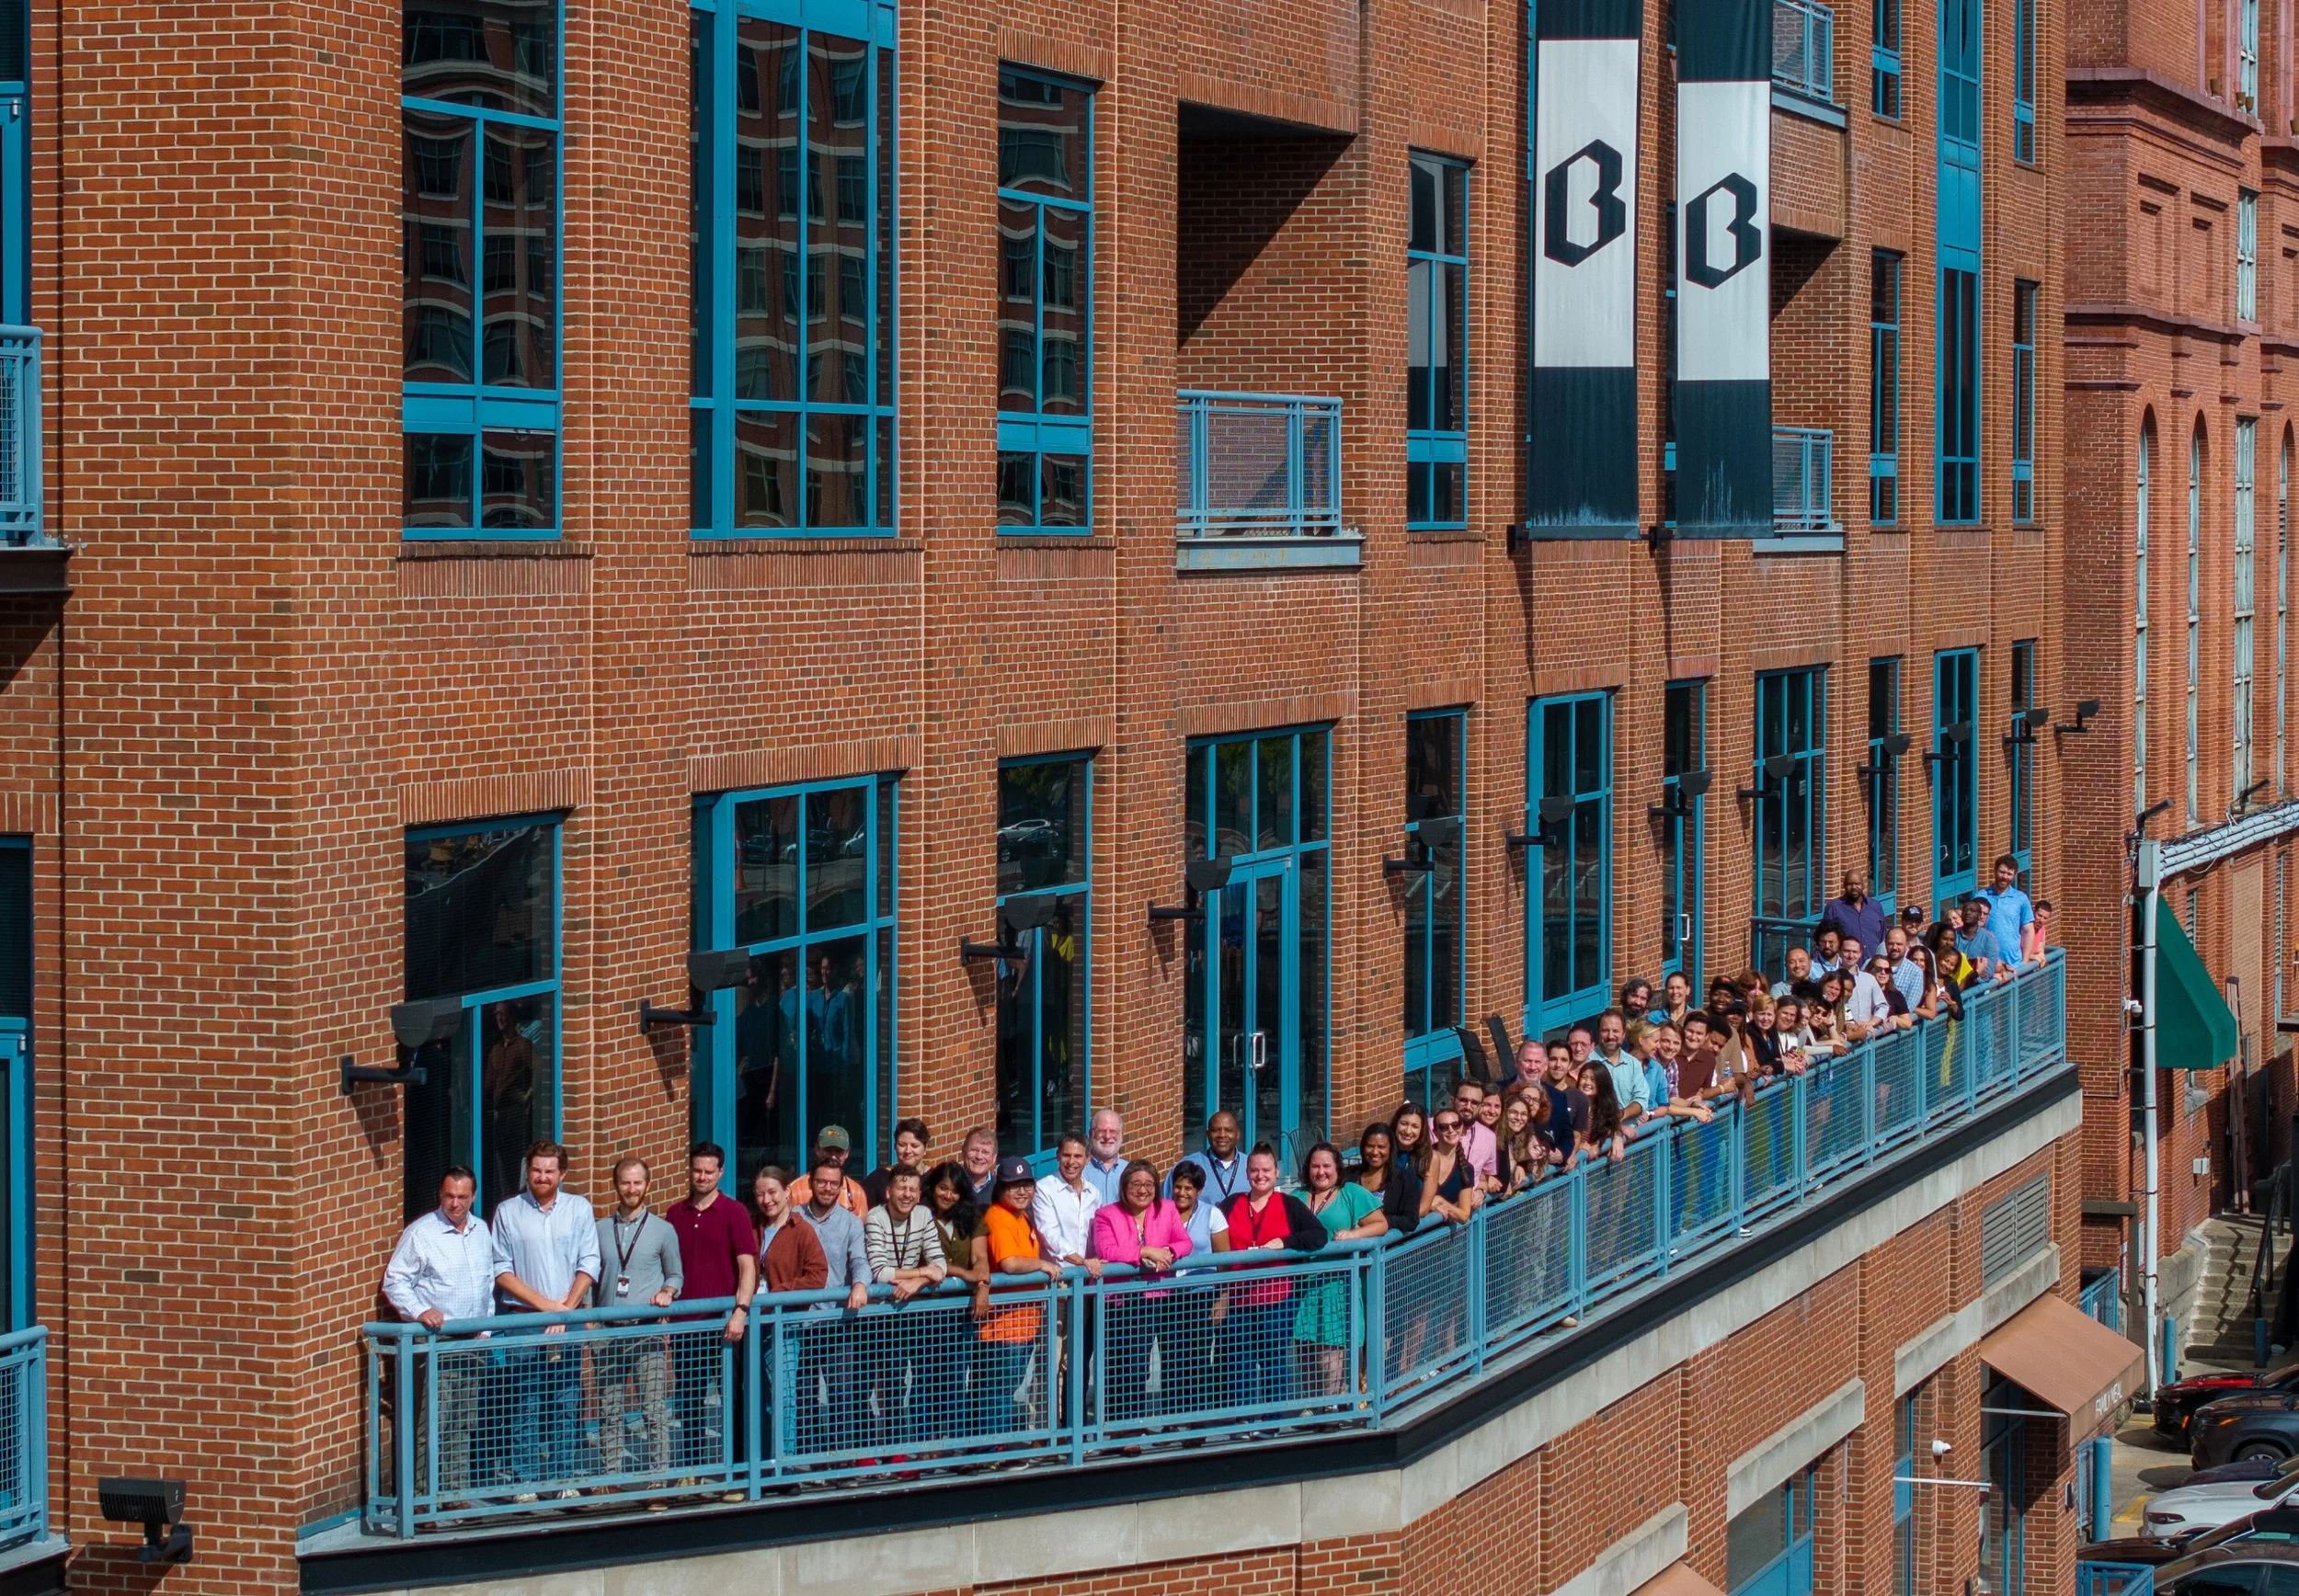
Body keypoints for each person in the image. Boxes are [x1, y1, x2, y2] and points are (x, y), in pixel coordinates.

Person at [489, 1141, 600, 1501]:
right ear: (528, 1171)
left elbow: (589, 1262)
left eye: (549, 1171)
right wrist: (544, 1307)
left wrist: (564, 1308)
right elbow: (501, 1271)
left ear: (562, 1174)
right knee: (526, 1400)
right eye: (536, 1169)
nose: (542, 1176)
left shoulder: (579, 1209)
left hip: (566, 1318)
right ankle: (526, 1481)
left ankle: (562, 1477)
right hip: (525, 1320)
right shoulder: (508, 1211)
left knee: (567, 1398)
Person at [381, 1167, 495, 1501]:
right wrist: (419, 1311)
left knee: (464, 1423)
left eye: (462, 1197)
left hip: (472, 1341)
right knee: (432, 1424)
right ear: (439, 1195)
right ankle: (423, 1498)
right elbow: (395, 1280)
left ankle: (454, 1494)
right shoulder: (422, 1232)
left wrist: (485, 1327)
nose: (455, 1204)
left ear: (473, 1197)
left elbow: (487, 1283)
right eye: (449, 1196)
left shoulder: (481, 1230)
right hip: (436, 1342)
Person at [668, 1142, 758, 1482]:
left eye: (709, 1171)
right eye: (697, 1170)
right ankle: (692, 1470)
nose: (702, 1177)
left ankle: (733, 1471)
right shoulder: (675, 1214)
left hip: (724, 1326)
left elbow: (747, 1267)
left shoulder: (734, 1212)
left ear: (721, 1173)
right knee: (688, 1402)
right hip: (686, 1325)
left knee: (732, 1400)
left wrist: (741, 1310)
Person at [592, 1156, 682, 1484]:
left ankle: (658, 1476)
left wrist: (668, 1292)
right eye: (625, 1182)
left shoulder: (663, 1230)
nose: (631, 1189)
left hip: (647, 1332)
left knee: (653, 1410)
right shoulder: (599, 1229)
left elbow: (675, 1274)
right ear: (615, 1186)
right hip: (608, 1332)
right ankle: (610, 1478)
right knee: (609, 1409)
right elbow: (589, 1275)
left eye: (637, 1182)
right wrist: (590, 1318)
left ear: (648, 1185)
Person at [1222, 1146, 1328, 1411]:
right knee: (1239, 1361)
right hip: (1238, 1300)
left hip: (1276, 1299)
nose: (1260, 1176)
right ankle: (1243, 1417)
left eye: (1266, 1170)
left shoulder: (1289, 1204)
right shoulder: (1231, 1204)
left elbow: (1318, 1235)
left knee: (1273, 1360)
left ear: (1277, 1173)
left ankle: (1272, 1419)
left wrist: (1286, 1242)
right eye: (1255, 1170)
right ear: (1247, 1173)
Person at [1089, 1159, 1191, 1423]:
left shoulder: (1167, 1209)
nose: (1143, 1190)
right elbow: (1107, 1251)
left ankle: (1145, 1424)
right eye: (1136, 1184)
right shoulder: (1106, 1214)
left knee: (1147, 1366)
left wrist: (1170, 1252)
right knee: (1122, 1365)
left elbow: (1184, 1241)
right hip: (1119, 1299)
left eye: (1149, 1184)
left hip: (1156, 1296)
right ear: (1124, 1187)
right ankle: (1120, 1427)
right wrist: (1144, 1251)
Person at [971, 1157, 1059, 1436]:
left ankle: (993, 1445)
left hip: (1022, 1324)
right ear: (1001, 1188)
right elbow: (1009, 1263)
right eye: (1014, 1186)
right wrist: (1042, 1265)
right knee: (996, 1392)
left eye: (1026, 1185)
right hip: (1001, 1327)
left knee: (1005, 1389)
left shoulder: (1022, 1216)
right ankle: (990, 1448)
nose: (1022, 1191)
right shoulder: (997, 1216)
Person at [793, 1148, 870, 1454]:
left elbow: (860, 1260)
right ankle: (808, 1456)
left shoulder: (851, 1223)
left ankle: (841, 1459)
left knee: (842, 1393)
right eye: (822, 1182)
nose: (827, 1188)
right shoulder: (794, 1219)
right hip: (800, 1321)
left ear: (841, 1186)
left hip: (838, 1322)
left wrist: (861, 1284)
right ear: (811, 1182)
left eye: (833, 1184)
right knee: (803, 1395)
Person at [863, 1164, 945, 1449]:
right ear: (888, 1191)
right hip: (876, 1313)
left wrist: (917, 1282)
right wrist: (922, 1275)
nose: (906, 1194)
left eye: (912, 1189)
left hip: (909, 1311)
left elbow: (941, 1265)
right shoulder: (875, 1217)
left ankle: (899, 1449)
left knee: (907, 1383)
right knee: (877, 1385)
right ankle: (872, 1448)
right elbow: (879, 1272)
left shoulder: (924, 1215)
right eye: (901, 1187)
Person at [1294, 1143, 1384, 1397]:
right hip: (1305, 1284)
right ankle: (1311, 1403)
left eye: (1326, 1166)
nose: (1320, 1172)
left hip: (1338, 1284)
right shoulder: (1298, 1197)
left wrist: (1354, 1234)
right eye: (1315, 1166)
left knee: (1332, 1347)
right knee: (1305, 1345)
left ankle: (1331, 1400)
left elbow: (1380, 1224)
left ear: (1337, 1168)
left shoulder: (1350, 1193)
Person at [1160, 1162, 1230, 1415]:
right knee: (1170, 1356)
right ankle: (1172, 1416)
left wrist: (1223, 1299)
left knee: (1197, 1357)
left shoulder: (1213, 1214)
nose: (1182, 1193)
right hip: (1168, 1296)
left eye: (1188, 1188)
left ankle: (1196, 1417)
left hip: (1201, 1295)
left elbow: (1224, 1261)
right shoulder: (1160, 1213)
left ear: (1199, 1190)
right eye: (1178, 1187)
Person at [921, 1162, 983, 1440]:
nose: (947, 1195)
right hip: (925, 1311)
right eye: (942, 1188)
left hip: (960, 1311)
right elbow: (928, 1263)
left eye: (954, 1191)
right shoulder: (920, 1216)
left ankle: (955, 1442)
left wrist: (981, 1284)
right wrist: (959, 1271)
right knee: (926, 1378)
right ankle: (926, 1443)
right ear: (932, 1188)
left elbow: (980, 1262)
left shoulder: (972, 1218)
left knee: (955, 1378)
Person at [1031, 1133, 1104, 1277]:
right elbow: (1049, 1236)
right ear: (1058, 1156)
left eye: (1077, 1156)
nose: (1071, 1162)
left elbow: (1097, 1234)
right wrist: (1081, 1261)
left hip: (1089, 1276)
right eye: (1066, 1155)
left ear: (1088, 1159)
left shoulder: (1094, 1193)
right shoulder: (1043, 1189)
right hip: (1059, 1278)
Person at [751, 1165, 828, 1293]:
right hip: (751, 1310)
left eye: (772, 1192)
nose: (766, 1200)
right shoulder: (751, 1227)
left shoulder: (802, 1231)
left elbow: (817, 1277)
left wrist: (782, 1291)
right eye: (760, 1195)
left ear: (787, 1192)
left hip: (786, 1310)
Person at [787, 1125, 870, 1218]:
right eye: (828, 1150)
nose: (833, 1156)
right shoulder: (795, 1190)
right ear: (817, 1149)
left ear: (847, 1153)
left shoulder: (857, 1193)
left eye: (839, 1151)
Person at [1168, 1110, 1246, 1208]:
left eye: (1228, 1130)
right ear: (1208, 1134)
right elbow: (1165, 1208)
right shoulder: (1187, 1166)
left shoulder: (1253, 1167)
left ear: (1237, 1134)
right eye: (1215, 1130)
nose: (1222, 1135)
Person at [1418, 1110, 1484, 1224]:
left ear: (1462, 1128)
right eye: (1444, 1127)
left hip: (1445, 1237)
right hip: (1415, 1234)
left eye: (1456, 1125)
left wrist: (1441, 1202)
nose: (1451, 1130)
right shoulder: (1422, 1159)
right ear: (1435, 1132)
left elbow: (1464, 1215)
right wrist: (1428, 1204)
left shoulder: (1466, 1169)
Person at [1357, 1119, 1422, 1232]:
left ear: (1391, 1149)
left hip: (1388, 1247)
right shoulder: (1348, 1177)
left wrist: (1378, 1222)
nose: (1375, 1152)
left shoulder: (1405, 1180)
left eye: (1381, 1147)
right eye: (1370, 1146)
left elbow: (1411, 1220)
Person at [1588, 1010, 1651, 1126]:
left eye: (1615, 1031)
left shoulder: (1634, 1064)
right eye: (1605, 1031)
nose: (1610, 1036)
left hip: (1632, 1136)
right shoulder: (1588, 1063)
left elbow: (1641, 1100)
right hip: (1599, 1135)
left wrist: (1621, 1115)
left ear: (1624, 1034)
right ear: (1598, 1033)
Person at [1976, 854, 2035, 971]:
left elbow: (2028, 931)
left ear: (2014, 876)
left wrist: (2024, 962)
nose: (2005, 877)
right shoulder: (1980, 897)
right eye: (2002, 872)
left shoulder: (2021, 898)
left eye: (2009, 874)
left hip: (2015, 965)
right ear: (1995, 871)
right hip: (1989, 966)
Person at [1820, 869, 1889, 963]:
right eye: (1849, 884)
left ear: (1863, 885)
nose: (1853, 887)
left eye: (1857, 884)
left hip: (1873, 968)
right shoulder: (1834, 908)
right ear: (1844, 885)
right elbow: (1826, 938)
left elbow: (1882, 937)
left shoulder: (1876, 907)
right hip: (1846, 967)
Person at [860, 1118, 931, 1209]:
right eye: (902, 1145)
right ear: (895, 1147)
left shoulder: (934, 1179)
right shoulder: (878, 1179)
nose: (908, 1151)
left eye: (914, 1146)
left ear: (925, 1148)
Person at [1449, 1080, 1499, 1188]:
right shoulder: (1431, 1127)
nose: (1468, 1107)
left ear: (1480, 1108)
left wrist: (1481, 1191)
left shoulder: (1489, 1138)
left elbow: (1484, 1177)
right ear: (1452, 1101)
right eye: (1463, 1100)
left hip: (1468, 1203)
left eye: (1474, 1103)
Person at [1574, 1065, 1627, 1163]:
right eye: (1584, 1077)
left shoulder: (1604, 1110)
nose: (1587, 1082)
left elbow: (1613, 1125)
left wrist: (1617, 1137)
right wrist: (1581, 1147)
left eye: (1593, 1079)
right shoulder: (1570, 1103)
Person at [1082, 1109, 1128, 1204]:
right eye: (1101, 1131)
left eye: (1113, 1131)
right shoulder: (1080, 1171)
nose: (1107, 1137)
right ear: (1091, 1134)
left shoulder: (1131, 1171)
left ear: (1121, 1135)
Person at [1883, 926, 1927, 1013]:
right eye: (1891, 944)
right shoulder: (1872, 964)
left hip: (1896, 1023)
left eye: (1899, 944)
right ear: (1885, 944)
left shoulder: (1915, 973)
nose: (1895, 947)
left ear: (1906, 945)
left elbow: (1908, 1007)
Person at [959, 1127, 1000, 1207]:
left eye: (985, 1152)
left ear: (994, 1157)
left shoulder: (999, 1190)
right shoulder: (951, 1185)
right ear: (963, 1151)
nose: (979, 1157)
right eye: (974, 1150)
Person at [2025, 899, 2055, 963]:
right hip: (2020, 968)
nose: (2041, 920)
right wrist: (2032, 956)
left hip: (2032, 969)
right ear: (2033, 911)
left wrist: (2041, 954)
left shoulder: (2042, 929)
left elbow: (2040, 946)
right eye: (2039, 915)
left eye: (2045, 918)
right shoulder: (2024, 928)